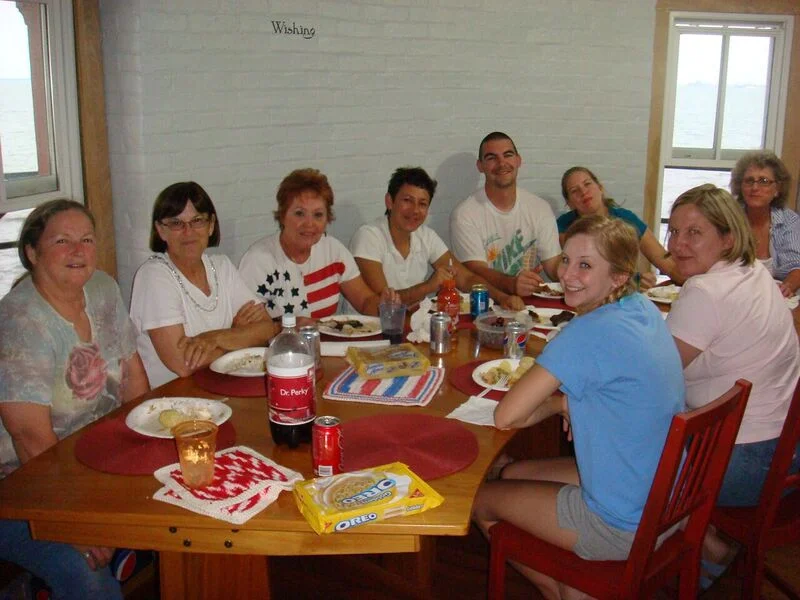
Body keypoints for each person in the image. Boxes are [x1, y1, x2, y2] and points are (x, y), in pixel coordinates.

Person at [473, 215, 684, 598]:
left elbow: (508, 416)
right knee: (513, 472)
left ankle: (570, 591)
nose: (568, 273)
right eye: (566, 259)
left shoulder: (585, 333)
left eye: (586, 265)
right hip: (668, 498)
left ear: (619, 276)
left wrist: (559, 403)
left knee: (480, 500)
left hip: (622, 524)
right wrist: (565, 403)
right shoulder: (643, 310)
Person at [0, 199, 150, 599]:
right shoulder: (20, 321)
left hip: (96, 463)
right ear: (32, 252)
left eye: (86, 239)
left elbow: (133, 376)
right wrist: (74, 524)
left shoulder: (101, 287)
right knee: (85, 573)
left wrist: (150, 451)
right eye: (62, 241)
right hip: (24, 487)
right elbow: (30, 440)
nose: (78, 251)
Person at [665, 184, 800, 581]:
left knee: (626, 451)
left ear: (727, 238)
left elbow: (653, 379)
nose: (678, 244)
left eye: (694, 232)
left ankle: (701, 551)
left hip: (745, 467)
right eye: (673, 231)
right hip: (788, 455)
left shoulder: (705, 291)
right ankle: (712, 544)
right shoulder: (754, 272)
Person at [130, 182, 275, 388]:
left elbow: (267, 329)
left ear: (211, 225)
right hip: (172, 400)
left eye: (197, 221)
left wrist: (215, 337)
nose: (188, 232)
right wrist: (238, 337)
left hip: (222, 388)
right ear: (161, 231)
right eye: (176, 223)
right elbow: (183, 364)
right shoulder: (153, 276)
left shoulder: (222, 266)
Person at [350, 166, 525, 309]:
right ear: (390, 201)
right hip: (368, 332)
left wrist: (503, 298)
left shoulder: (426, 235)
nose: (415, 210)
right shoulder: (368, 236)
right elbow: (384, 303)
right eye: (407, 201)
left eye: (422, 204)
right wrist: (429, 286)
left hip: (411, 326)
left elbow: (465, 278)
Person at [239, 168, 397, 319]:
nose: (309, 224)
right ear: (282, 216)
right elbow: (248, 326)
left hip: (328, 345)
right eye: (299, 213)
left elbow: (364, 301)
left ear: (328, 219)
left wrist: (383, 307)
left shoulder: (333, 250)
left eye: (318, 215)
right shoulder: (258, 260)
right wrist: (285, 326)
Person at [450, 132, 562, 298]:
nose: (501, 163)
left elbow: (553, 266)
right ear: (480, 166)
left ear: (518, 160)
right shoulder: (465, 214)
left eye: (508, 155)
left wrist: (579, 274)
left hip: (531, 302)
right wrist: (512, 284)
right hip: (484, 302)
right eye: (491, 158)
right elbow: (475, 271)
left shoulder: (540, 208)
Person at [558, 166, 683, 288]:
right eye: (575, 190)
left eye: (587, 184)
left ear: (600, 188)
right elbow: (571, 270)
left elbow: (665, 261)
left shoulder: (626, 219)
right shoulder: (563, 226)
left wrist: (691, 282)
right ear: (569, 203)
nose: (583, 192)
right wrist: (631, 279)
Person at [730, 151, 800, 297]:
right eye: (749, 181)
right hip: (734, 294)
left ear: (777, 189)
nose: (755, 188)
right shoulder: (728, 219)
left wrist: (787, 287)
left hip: (778, 296)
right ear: (740, 187)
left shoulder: (790, 221)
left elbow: (796, 266)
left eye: (763, 181)